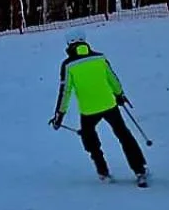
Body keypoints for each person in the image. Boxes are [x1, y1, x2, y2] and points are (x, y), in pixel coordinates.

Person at [50, 34, 149, 185]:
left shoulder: (68, 65)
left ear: (69, 45)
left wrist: (59, 116)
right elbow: (112, 79)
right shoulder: (100, 57)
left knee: (90, 141)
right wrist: (120, 95)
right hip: (109, 105)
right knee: (124, 136)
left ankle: (103, 172)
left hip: (88, 111)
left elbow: (65, 92)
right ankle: (140, 170)